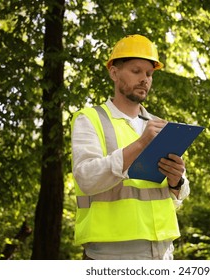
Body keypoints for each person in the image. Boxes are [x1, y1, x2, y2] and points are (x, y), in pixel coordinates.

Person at [71, 34, 190, 260]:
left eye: (149, 74)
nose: (145, 79)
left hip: (163, 253)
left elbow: (179, 196)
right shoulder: (89, 119)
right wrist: (141, 143)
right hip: (111, 255)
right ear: (114, 73)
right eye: (136, 71)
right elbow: (86, 178)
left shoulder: (160, 125)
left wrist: (177, 181)